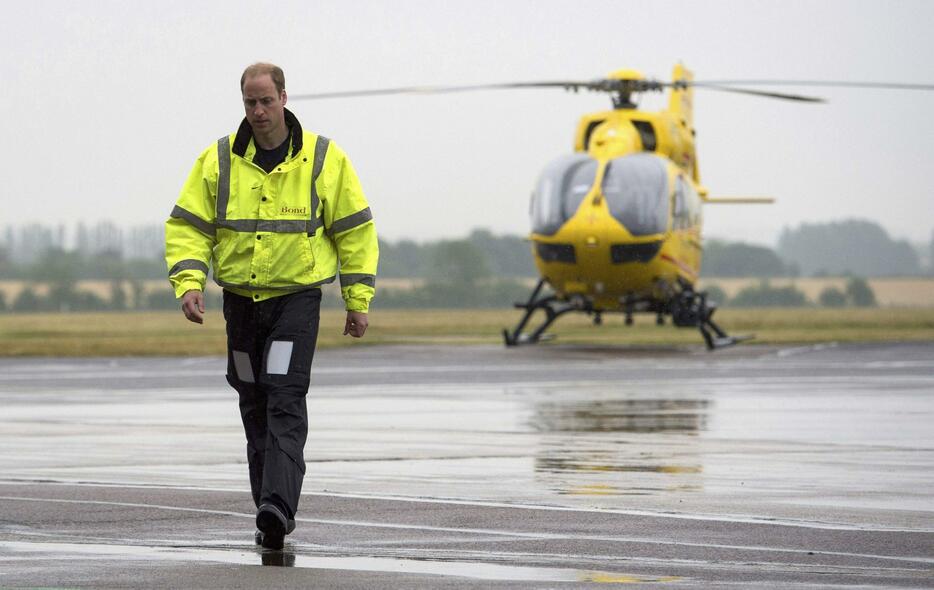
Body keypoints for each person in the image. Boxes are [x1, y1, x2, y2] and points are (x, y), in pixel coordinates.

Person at [165, 62, 378, 549]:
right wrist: (189, 282)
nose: (258, 111)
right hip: (239, 305)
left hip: (294, 304)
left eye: (266, 101)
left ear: (284, 98)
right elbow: (188, 226)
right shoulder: (217, 160)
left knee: (284, 395)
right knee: (252, 398)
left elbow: (355, 230)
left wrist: (357, 299)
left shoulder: (323, 159)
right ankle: (267, 505)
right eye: (249, 102)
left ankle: (277, 508)